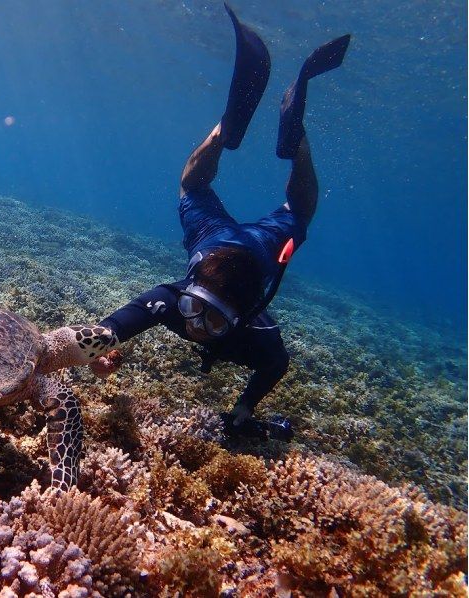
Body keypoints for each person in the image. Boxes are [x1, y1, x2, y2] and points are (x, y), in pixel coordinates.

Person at [89, 4, 351, 434]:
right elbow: (115, 324)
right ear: (186, 289)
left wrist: (245, 408)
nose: (194, 325)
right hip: (213, 241)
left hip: (260, 251)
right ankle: (269, 139)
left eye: (211, 320)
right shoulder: (174, 300)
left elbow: (275, 365)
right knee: (217, 192)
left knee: (206, 190)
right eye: (192, 307)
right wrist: (98, 349)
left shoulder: (255, 334)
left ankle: (251, 136)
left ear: (243, 318)